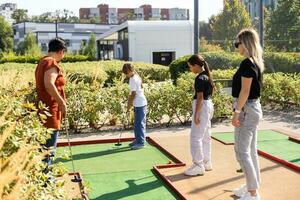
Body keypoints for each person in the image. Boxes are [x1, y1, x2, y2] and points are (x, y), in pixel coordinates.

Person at [231, 28, 264, 200]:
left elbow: (245, 91)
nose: (237, 46)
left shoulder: (247, 63)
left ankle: (252, 193)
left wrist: (236, 113)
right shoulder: (255, 62)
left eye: (238, 43)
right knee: (250, 152)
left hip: (246, 109)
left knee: (241, 151)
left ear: (245, 43)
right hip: (252, 108)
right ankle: (252, 186)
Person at [35, 38, 67, 169]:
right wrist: (62, 103)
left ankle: (45, 182)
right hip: (50, 112)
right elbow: (49, 84)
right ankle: (48, 182)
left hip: (44, 111)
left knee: (44, 151)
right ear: (60, 51)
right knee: (48, 151)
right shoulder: (51, 63)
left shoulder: (42, 61)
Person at [184, 54, 215, 176]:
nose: (190, 69)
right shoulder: (207, 76)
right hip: (208, 106)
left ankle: (198, 165)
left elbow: (200, 97)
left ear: (196, 65)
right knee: (206, 135)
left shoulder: (200, 78)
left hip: (202, 107)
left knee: (195, 137)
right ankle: (207, 162)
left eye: (190, 67)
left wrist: (196, 114)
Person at [122, 63, 147, 150]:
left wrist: (128, 106)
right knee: (136, 124)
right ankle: (137, 140)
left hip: (140, 103)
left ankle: (141, 143)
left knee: (140, 124)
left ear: (130, 71)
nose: (126, 74)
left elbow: (132, 95)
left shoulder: (133, 79)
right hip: (138, 103)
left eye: (127, 73)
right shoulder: (135, 76)